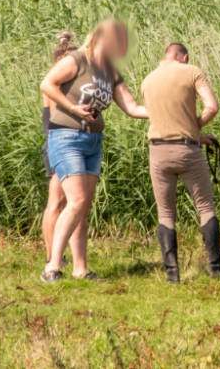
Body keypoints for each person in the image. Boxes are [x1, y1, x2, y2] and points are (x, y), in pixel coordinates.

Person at [38, 19, 148, 281]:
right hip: (66, 137)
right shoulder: (78, 59)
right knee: (75, 201)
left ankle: (81, 268)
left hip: (92, 142)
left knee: (83, 206)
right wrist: (73, 108)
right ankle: (52, 266)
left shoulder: (111, 72)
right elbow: (47, 84)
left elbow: (133, 108)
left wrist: (169, 109)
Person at [140, 43, 220, 283]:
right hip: (188, 152)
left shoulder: (148, 80)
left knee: (165, 213)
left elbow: (164, 118)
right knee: (206, 208)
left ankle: (172, 275)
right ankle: (216, 270)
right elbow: (212, 107)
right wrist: (196, 128)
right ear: (183, 57)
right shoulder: (191, 71)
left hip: (158, 153)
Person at [40, 31, 79, 265]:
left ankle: (57, 255)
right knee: (56, 202)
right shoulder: (55, 83)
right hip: (57, 143)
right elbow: (58, 117)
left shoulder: (62, 81)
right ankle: (51, 256)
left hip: (59, 143)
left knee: (62, 201)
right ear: (59, 61)